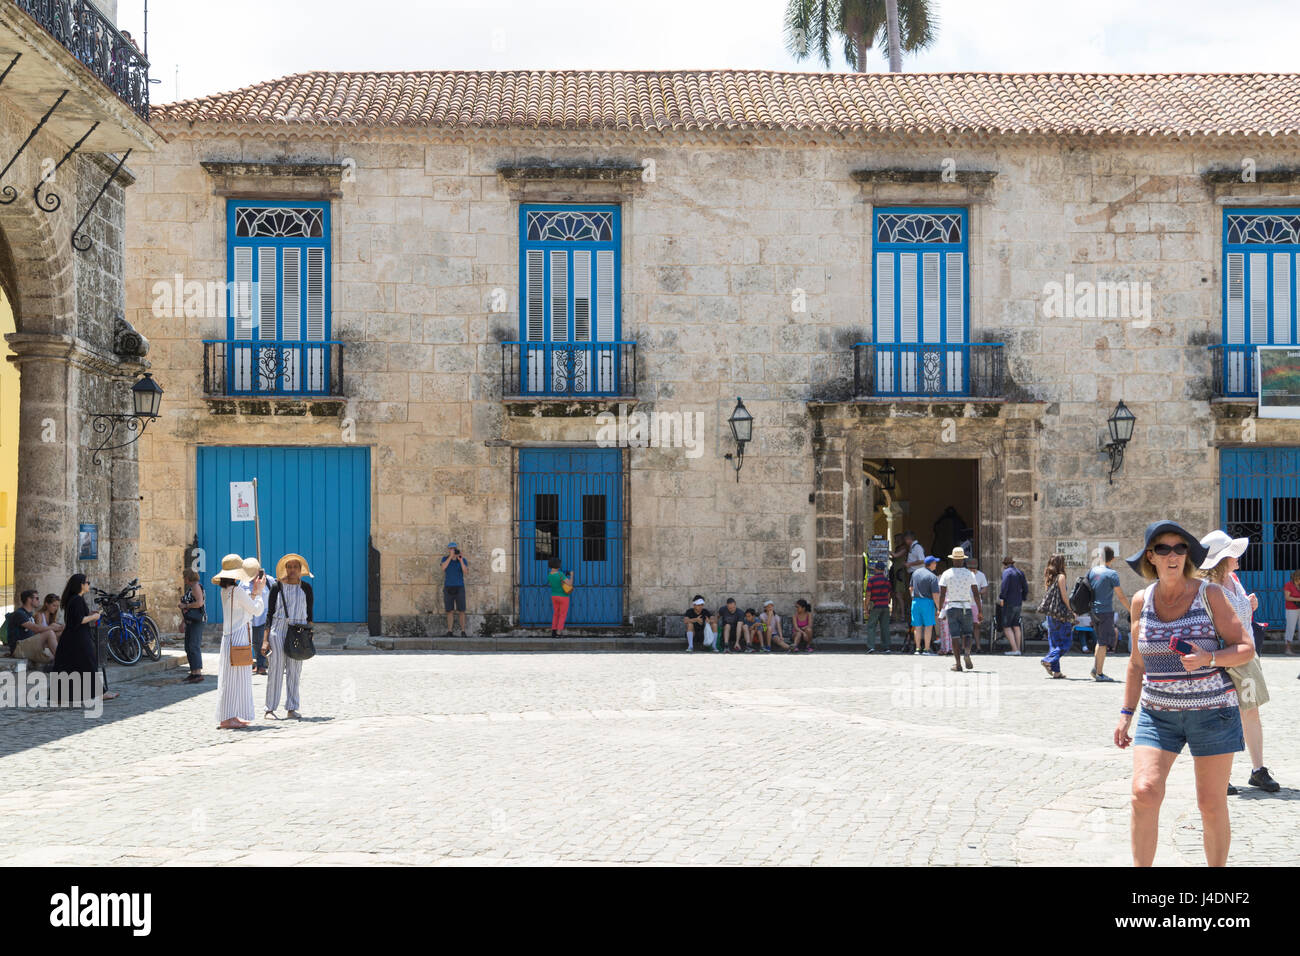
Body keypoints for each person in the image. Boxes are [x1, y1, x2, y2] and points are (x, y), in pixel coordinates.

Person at [1115, 520, 1252, 867]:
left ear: (1188, 555)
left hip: (1213, 712)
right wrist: (1126, 713)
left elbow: (1245, 648)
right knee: (1144, 792)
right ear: (1151, 556)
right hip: (1157, 713)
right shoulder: (1140, 601)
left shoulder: (1211, 595)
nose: (1173, 555)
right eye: (1164, 549)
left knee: (1210, 803)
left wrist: (1210, 658)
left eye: (1180, 548)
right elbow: (1135, 664)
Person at [1198, 531, 1280, 794]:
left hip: (1246, 656)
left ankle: (1258, 770)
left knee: (1251, 712)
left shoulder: (1233, 579)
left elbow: (1239, 614)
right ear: (1223, 558)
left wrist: (1249, 604)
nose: (1238, 556)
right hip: (1222, 658)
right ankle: (1221, 774)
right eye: (1233, 553)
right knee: (1223, 716)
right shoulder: (1208, 588)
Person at [213, 554, 265, 729]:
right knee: (238, 678)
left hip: (229, 637)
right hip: (239, 636)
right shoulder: (238, 591)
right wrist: (258, 593)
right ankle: (228, 718)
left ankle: (230, 715)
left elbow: (243, 609)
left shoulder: (226, 591)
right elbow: (256, 610)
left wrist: (252, 594)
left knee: (230, 678)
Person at [50, 574, 117, 703]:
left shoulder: (74, 599)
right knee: (88, 664)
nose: (89, 584)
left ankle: (62, 695)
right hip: (78, 637)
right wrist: (94, 617)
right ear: (81, 585)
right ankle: (99, 694)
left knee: (71, 665)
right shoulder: (77, 600)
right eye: (87, 582)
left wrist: (90, 614)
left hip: (72, 637)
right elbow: (78, 620)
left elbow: (78, 617)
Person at [264, 553, 313, 719]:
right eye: (289, 567)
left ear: (300, 570)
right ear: (285, 569)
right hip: (278, 630)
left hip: (299, 632)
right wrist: (265, 640)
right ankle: (269, 709)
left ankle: (292, 708)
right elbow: (269, 614)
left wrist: (308, 637)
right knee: (275, 670)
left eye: (295, 567)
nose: (292, 570)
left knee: (295, 670)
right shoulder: (277, 587)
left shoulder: (306, 588)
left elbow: (310, 616)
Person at [1087, 546, 1130, 682]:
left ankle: (1096, 668)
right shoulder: (1112, 574)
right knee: (1103, 642)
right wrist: (1130, 609)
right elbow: (1121, 596)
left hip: (1093, 611)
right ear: (1112, 558)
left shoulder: (1092, 572)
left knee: (1099, 640)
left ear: (1100, 557)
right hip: (1105, 611)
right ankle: (1099, 673)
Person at [939, 547, 981, 672]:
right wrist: (980, 610)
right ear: (963, 560)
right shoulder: (969, 574)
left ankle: (957, 664)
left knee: (955, 636)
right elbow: (976, 593)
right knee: (968, 633)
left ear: (953, 560)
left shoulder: (946, 574)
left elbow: (942, 594)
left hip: (952, 607)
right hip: (966, 607)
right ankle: (967, 653)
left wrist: (940, 608)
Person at [1038, 554, 1074, 678]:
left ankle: (1056, 671)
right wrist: (1071, 610)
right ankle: (1048, 659)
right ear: (1061, 564)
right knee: (1066, 642)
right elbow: (1064, 597)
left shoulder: (1049, 577)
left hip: (1051, 614)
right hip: (1061, 614)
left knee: (1054, 642)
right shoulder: (1061, 577)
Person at [9, 589, 58, 664]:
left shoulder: (29, 614)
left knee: (51, 656)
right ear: (29, 599)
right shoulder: (19, 614)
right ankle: (62, 663)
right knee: (50, 633)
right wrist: (55, 627)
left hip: (28, 645)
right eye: (37, 598)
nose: (39, 601)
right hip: (19, 648)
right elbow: (36, 629)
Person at [909, 556, 941, 655]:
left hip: (915, 602)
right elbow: (935, 594)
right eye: (935, 563)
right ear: (931, 564)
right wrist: (939, 607)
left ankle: (917, 649)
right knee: (928, 626)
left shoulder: (916, 573)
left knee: (917, 626)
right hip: (927, 602)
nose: (936, 564)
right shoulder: (932, 577)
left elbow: (910, 588)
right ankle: (926, 649)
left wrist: (913, 598)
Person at [178, 569, 206, 683]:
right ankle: (193, 672)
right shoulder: (192, 588)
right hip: (190, 621)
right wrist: (183, 622)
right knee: (188, 647)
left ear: (188, 578)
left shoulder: (196, 587)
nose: (183, 579)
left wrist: (185, 605)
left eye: (184, 577)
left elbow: (199, 603)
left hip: (197, 621)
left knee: (194, 646)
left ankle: (198, 673)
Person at [998, 556, 1028, 655]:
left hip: (1009, 602)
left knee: (1006, 626)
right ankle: (1018, 649)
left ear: (1004, 564)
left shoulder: (1007, 572)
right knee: (1016, 625)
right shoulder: (1020, 572)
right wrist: (1023, 597)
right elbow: (1025, 587)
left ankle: (1014, 649)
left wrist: (1002, 597)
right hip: (1018, 602)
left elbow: (1004, 586)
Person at [441, 542, 469, 637]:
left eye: (454, 548)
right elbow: (443, 567)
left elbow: (465, 571)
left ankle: (463, 631)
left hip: (459, 587)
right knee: (449, 611)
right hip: (448, 587)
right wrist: (450, 557)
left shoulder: (462, 559)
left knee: (461, 610)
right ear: (448, 550)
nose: (452, 550)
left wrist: (460, 560)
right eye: (450, 549)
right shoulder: (445, 559)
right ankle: (449, 631)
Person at [865, 561, 892, 653]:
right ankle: (886, 647)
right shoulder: (886, 581)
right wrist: (887, 602)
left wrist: (866, 607)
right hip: (884, 605)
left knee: (871, 626)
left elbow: (868, 595)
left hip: (875, 605)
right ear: (883, 570)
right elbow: (889, 594)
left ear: (876, 569)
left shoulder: (871, 580)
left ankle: (871, 646)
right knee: (885, 627)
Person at [250, 569, 271, 676]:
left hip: (265, 616)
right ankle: (259, 664)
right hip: (252, 617)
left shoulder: (269, 581)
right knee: (255, 642)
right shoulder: (245, 583)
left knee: (262, 641)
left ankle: (261, 665)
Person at [966, 557, 989, 652]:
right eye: (971, 568)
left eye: (974, 568)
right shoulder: (964, 574)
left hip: (976, 603)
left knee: (977, 625)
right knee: (966, 626)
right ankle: (966, 647)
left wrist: (978, 593)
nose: (972, 570)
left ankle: (978, 646)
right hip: (965, 602)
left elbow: (985, 588)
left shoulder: (981, 575)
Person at [547, 557, 572, 639]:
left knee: (556, 613)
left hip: (554, 596)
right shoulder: (560, 574)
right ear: (558, 565)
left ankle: (553, 631)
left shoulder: (549, 575)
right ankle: (559, 632)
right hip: (563, 597)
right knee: (562, 615)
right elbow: (569, 583)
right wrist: (572, 575)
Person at [1283, 570, 1300, 655]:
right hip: (1291, 609)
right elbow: (1287, 597)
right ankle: (1288, 649)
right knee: (1290, 628)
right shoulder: (1289, 585)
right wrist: (1298, 599)